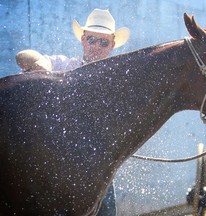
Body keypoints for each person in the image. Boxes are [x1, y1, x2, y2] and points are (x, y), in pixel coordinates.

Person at [16, 8, 130, 216]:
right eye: (92, 39)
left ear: (112, 45)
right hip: (60, 168)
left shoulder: (118, 80)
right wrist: (41, 63)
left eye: (103, 42)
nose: (96, 46)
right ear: (83, 40)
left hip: (100, 169)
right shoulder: (65, 65)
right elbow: (28, 57)